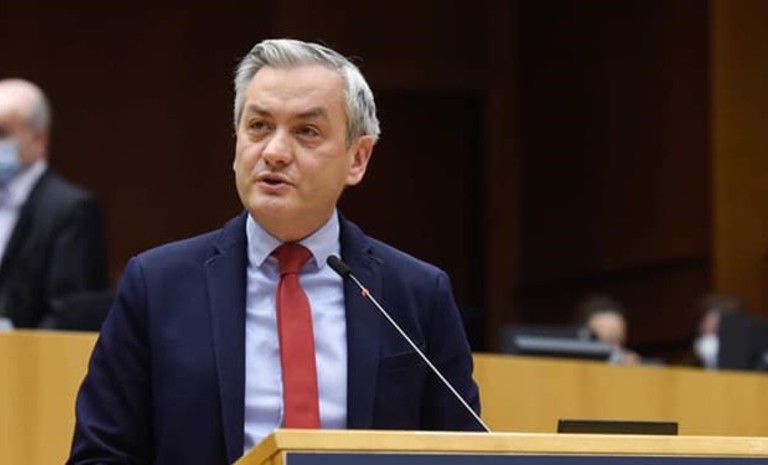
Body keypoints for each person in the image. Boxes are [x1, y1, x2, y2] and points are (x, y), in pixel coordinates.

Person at [68, 39, 482, 465]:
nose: (275, 152)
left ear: (357, 158)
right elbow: (99, 457)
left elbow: (465, 455)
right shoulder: (156, 286)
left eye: (306, 132)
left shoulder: (416, 294)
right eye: (259, 126)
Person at [0, 79, 108, 329]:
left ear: (39, 138)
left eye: (3, 132)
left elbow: (71, 312)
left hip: (31, 351)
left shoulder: (73, 210)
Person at [577, 294, 640, 364]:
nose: (614, 349)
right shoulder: (575, 363)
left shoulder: (630, 363)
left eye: (617, 340)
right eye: (605, 340)